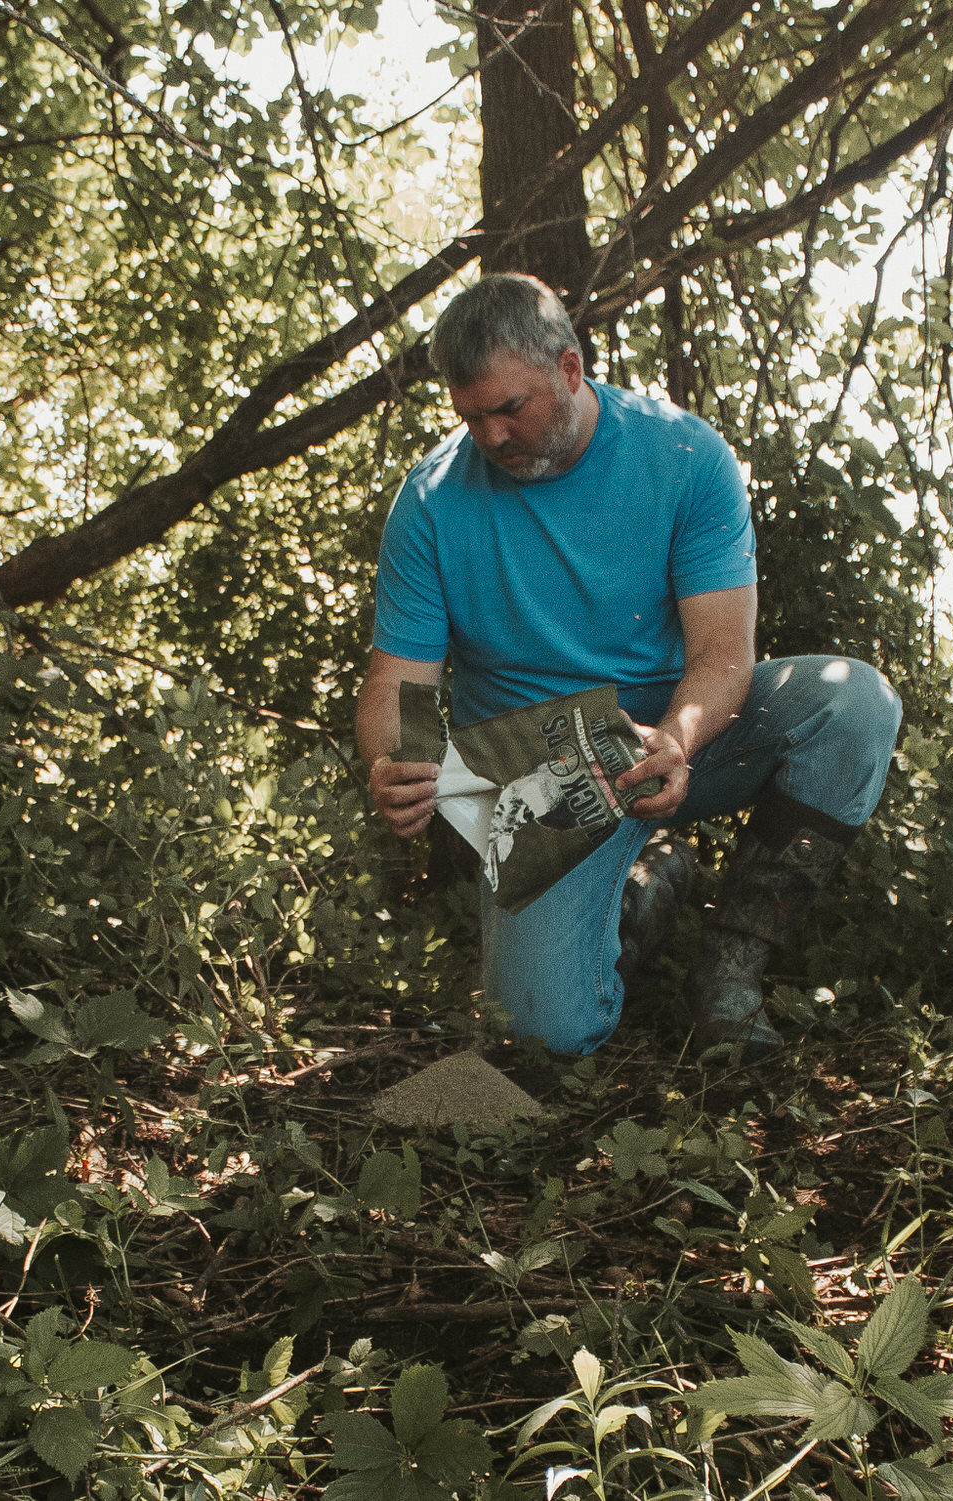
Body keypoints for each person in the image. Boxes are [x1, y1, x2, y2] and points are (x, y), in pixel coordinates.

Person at [356, 273, 902, 1056]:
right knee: (540, 1038)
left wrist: (678, 736)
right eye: (472, 417)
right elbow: (396, 682)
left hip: (675, 738)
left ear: (570, 370)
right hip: (541, 785)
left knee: (854, 704)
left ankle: (729, 970)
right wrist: (392, 761)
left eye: (511, 409)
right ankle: (643, 897)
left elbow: (722, 651)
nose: (492, 438)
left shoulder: (683, 455)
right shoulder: (434, 498)